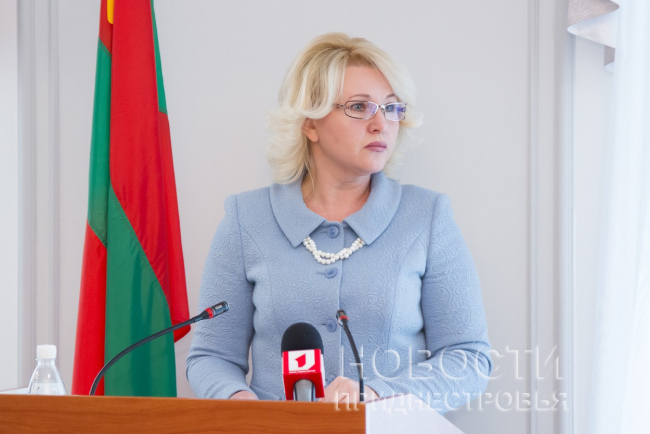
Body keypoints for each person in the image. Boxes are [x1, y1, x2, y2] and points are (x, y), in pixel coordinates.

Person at [186, 32, 492, 413]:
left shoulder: (427, 217)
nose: (381, 124)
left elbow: (468, 358)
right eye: (360, 107)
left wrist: (376, 394)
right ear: (310, 123)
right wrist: (243, 408)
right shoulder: (245, 219)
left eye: (391, 108)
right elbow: (211, 356)